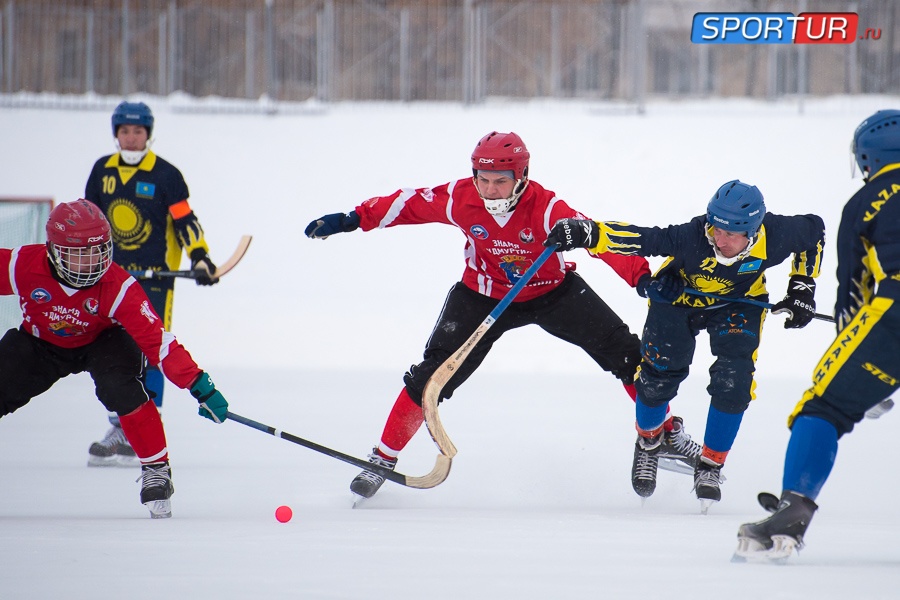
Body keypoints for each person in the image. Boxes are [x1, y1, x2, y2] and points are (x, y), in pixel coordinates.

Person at [305, 131, 701, 501]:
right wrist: (352, 219)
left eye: (501, 180)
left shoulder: (547, 208)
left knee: (631, 357)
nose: (491, 189)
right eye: (483, 179)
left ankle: (661, 433)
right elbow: (407, 204)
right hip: (482, 295)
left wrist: (643, 279)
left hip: (552, 293)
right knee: (431, 376)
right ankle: (382, 458)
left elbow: (600, 241)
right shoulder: (459, 197)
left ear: (522, 176)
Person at [549, 179, 826, 509]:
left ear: (753, 232)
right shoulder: (693, 235)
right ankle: (650, 442)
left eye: (730, 235)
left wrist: (802, 287)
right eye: (715, 230)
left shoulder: (778, 234)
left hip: (740, 305)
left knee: (734, 383)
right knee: (657, 377)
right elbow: (644, 238)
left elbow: (815, 233)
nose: (719, 240)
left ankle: (710, 465)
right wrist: (589, 233)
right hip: (678, 298)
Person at [735, 109, 900, 561]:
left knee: (824, 407)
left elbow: (854, 292)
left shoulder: (869, 200)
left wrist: (859, 383)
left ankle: (790, 513)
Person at [0, 200, 229, 518]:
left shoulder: (120, 285)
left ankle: (156, 469)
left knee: (120, 387)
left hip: (103, 340)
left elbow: (158, 344)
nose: (92, 262)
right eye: (80, 254)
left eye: (98, 251)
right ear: (55, 251)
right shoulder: (23, 263)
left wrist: (200, 386)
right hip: (41, 342)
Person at [83, 100, 219, 468]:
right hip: (109, 280)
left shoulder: (165, 174)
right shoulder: (102, 171)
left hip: (155, 280)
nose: (131, 137)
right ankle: (120, 427)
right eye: (124, 131)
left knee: (153, 350)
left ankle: (144, 426)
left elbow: (185, 221)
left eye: (138, 131)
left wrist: (200, 257)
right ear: (116, 133)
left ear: (148, 133)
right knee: (113, 352)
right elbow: (88, 220)